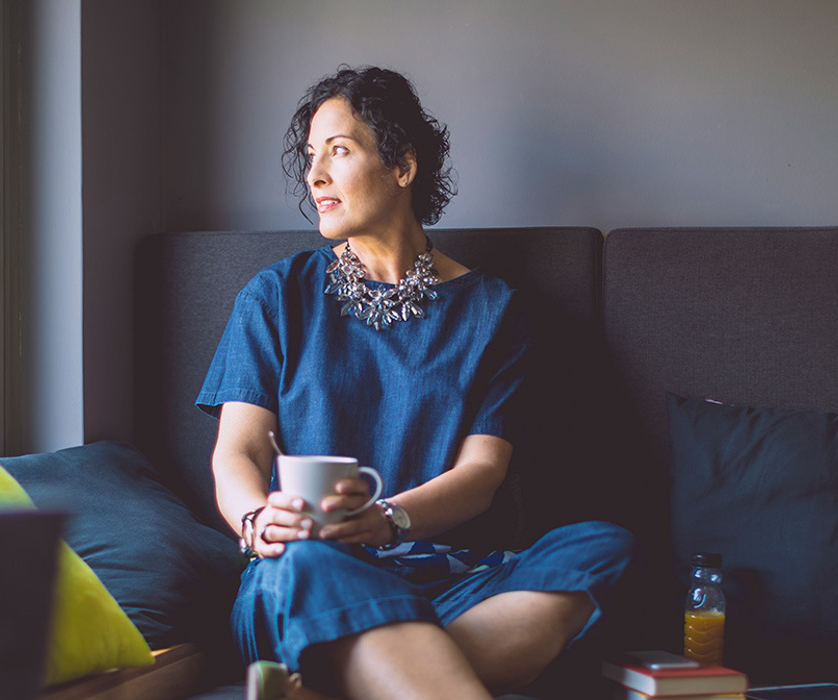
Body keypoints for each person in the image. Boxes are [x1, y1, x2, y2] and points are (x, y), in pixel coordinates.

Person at [196, 66, 634, 700]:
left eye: (338, 151)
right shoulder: (276, 297)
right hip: (310, 569)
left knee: (601, 548)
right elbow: (239, 452)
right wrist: (257, 521)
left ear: (402, 165)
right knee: (308, 566)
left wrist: (387, 521)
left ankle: (334, 683)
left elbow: (481, 475)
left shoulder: (495, 312)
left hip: (447, 577)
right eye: (309, 156)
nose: (314, 175)